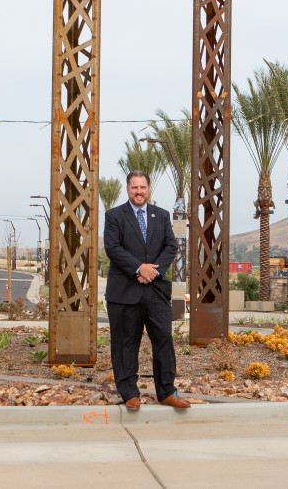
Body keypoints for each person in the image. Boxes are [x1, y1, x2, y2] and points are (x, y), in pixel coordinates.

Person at [103, 170, 190, 411]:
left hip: (155, 290)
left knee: (163, 339)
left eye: (142, 187)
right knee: (125, 343)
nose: (138, 192)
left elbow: (171, 246)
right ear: (127, 189)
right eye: (134, 188)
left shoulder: (161, 216)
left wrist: (153, 271)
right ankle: (129, 392)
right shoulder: (114, 216)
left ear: (148, 189)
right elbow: (113, 248)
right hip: (125, 292)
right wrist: (138, 268)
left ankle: (167, 391)